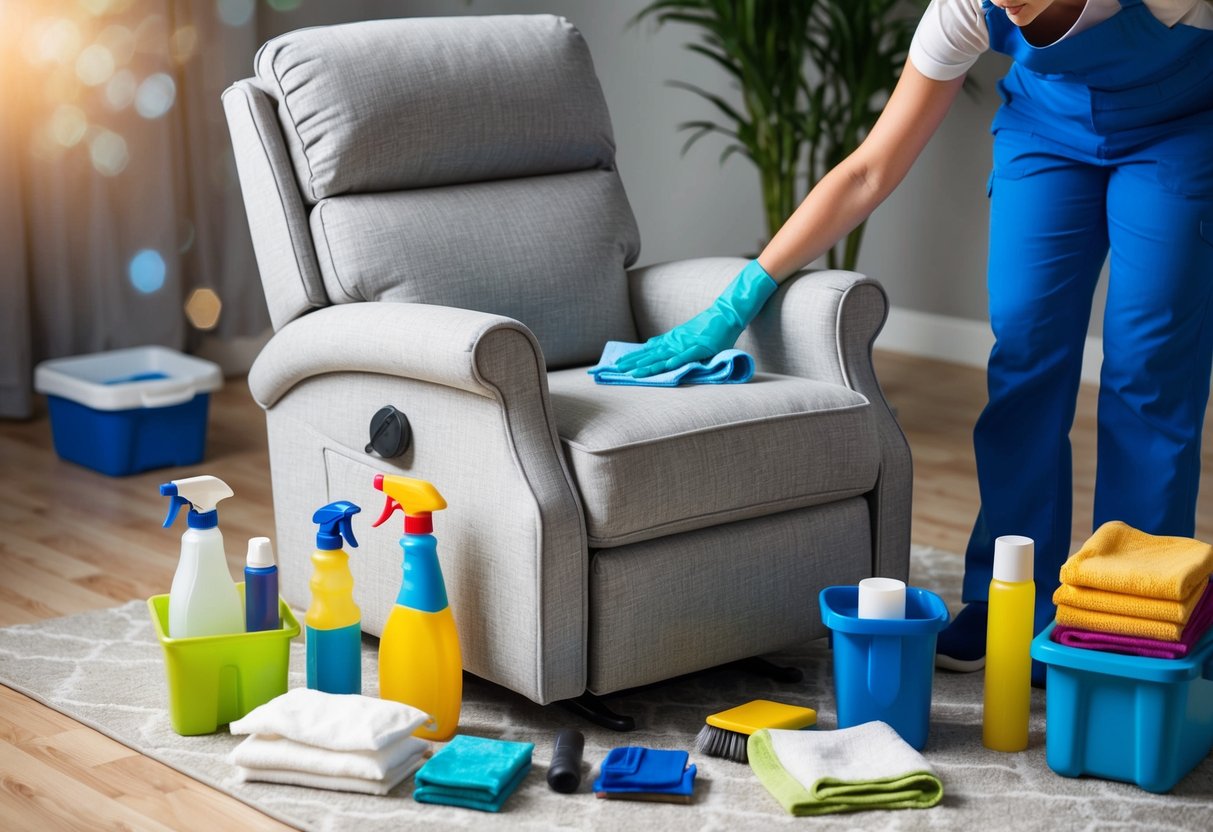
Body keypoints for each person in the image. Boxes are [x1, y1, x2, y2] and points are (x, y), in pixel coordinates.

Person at [614, 0, 1213, 682]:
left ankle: (1133, 617)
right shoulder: (961, 9)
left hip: (1179, 135)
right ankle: (1003, 601)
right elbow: (869, 168)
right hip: (1046, 135)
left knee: (1148, 370)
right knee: (1023, 355)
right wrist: (741, 295)